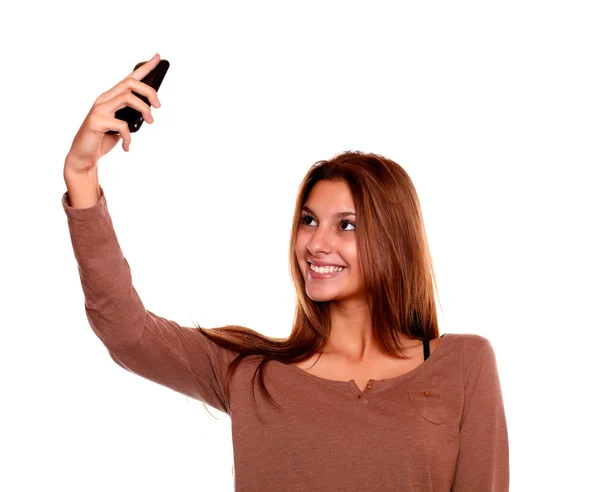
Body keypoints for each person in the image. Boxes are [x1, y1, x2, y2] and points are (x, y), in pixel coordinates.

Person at [62, 53, 509, 491]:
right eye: (309, 220)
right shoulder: (251, 372)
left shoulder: (462, 365)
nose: (316, 243)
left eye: (346, 225)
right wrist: (82, 175)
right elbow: (126, 332)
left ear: (395, 240)